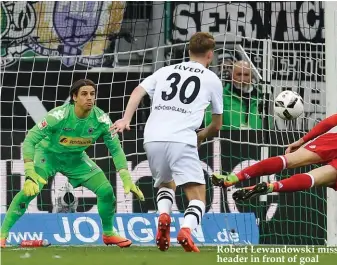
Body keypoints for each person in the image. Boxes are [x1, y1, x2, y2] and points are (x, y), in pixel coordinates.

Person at [110, 32, 223, 252]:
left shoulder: (165, 71)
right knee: (198, 196)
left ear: (189, 51)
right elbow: (217, 125)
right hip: (182, 138)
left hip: (152, 137)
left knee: (165, 183)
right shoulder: (212, 79)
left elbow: (137, 91)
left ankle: (163, 215)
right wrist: (201, 135)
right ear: (210, 55)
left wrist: (126, 119)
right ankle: (187, 230)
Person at [0, 79, 145, 248]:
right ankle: (2, 234)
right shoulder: (58, 116)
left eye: (92, 94)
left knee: (106, 191)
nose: (89, 98)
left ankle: (108, 233)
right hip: (48, 155)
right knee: (29, 191)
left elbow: (116, 150)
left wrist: (126, 176)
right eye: (84, 94)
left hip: (75, 159)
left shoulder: (102, 119)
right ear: (74, 97)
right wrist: (29, 170)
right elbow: (30, 139)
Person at [204, 60, 264, 130]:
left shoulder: (261, 98)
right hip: (226, 140)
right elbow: (209, 123)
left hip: (257, 140)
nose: (242, 79)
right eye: (239, 74)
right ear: (232, 75)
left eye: (246, 75)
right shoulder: (219, 96)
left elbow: (269, 126)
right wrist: (234, 135)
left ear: (252, 77)